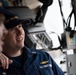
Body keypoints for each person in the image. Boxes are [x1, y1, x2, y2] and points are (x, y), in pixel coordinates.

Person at [0, 15, 64, 75]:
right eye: (12, 29)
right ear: (1, 35)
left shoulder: (42, 56)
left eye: (20, 26)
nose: (20, 32)